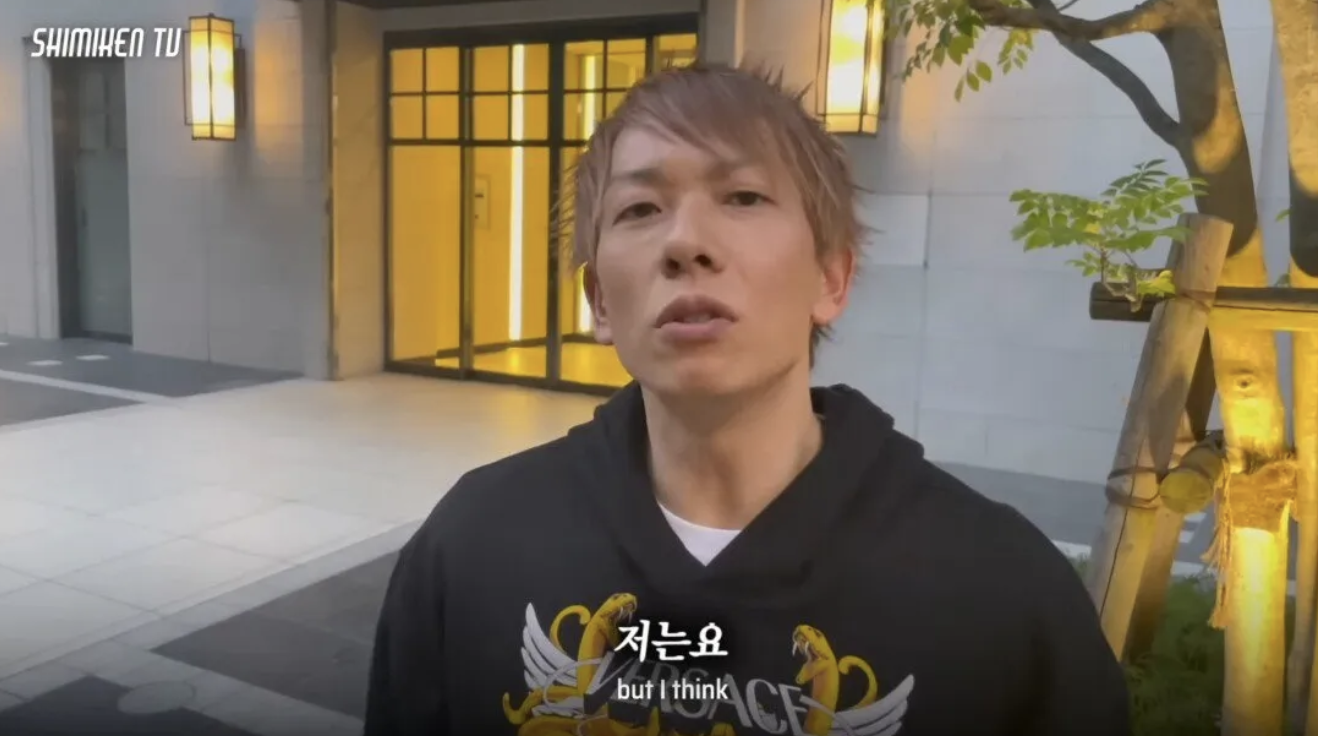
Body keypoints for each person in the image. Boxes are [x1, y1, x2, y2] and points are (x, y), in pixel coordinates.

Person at [363, 63, 1131, 736]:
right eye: (640, 209)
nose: (685, 242)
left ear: (831, 278)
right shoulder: (472, 547)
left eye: (742, 196)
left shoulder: (998, 594)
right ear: (599, 301)